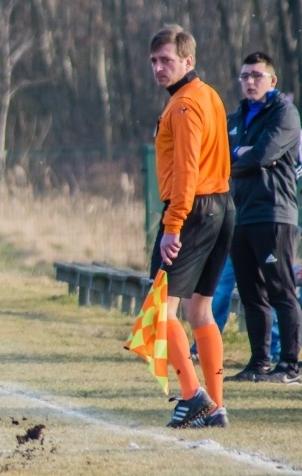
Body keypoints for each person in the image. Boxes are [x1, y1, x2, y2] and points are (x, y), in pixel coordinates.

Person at [148, 25, 234, 429]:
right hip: (222, 205)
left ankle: (191, 395)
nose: (159, 68)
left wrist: (172, 225)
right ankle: (216, 407)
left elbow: (186, 170)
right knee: (199, 308)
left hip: (192, 209)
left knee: (159, 305)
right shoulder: (210, 95)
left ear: (188, 61)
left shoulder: (183, 106)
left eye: (166, 60)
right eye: (154, 61)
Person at [223, 51, 302, 384]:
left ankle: (290, 364)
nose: (250, 81)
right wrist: (243, 156)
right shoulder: (235, 117)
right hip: (240, 215)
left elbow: (263, 155)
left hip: (273, 214)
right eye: (245, 76)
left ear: (272, 80)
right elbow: (221, 158)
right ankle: (259, 363)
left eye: (257, 75)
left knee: (280, 289)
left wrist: (242, 156)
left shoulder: (283, 113)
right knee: (251, 292)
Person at [189, 256, 281, 363]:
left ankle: (274, 349)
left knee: (261, 292)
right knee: (219, 291)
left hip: (259, 242)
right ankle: (204, 345)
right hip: (231, 243)